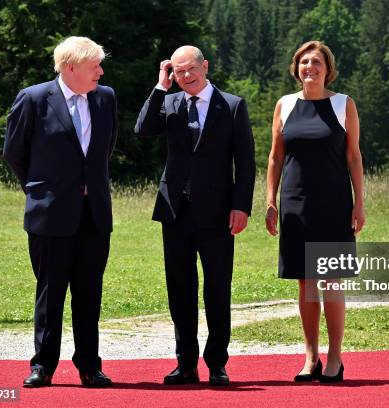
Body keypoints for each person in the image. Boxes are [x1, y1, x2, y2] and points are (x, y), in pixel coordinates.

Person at [134, 45, 255, 386]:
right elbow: (142, 129)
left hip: (218, 214)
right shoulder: (170, 102)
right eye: (178, 71)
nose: (186, 76)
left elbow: (245, 162)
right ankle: (185, 363)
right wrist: (161, 86)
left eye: (191, 69)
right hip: (175, 212)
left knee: (217, 289)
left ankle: (217, 363)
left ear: (205, 66)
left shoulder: (231, 105)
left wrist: (241, 206)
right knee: (180, 290)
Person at [3, 36, 117, 388]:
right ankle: (43, 366)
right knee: (50, 292)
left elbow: (105, 149)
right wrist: (40, 189)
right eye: (94, 65)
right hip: (50, 214)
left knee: (89, 293)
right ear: (71, 68)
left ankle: (89, 366)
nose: (100, 71)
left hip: (93, 214)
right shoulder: (34, 98)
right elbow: (14, 152)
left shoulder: (106, 98)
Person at [265, 41, 365, 383]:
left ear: (328, 68)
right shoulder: (285, 105)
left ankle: (335, 357)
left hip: (334, 203)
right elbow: (276, 157)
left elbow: (354, 156)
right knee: (306, 282)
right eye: (305, 62)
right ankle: (311, 357)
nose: (311, 67)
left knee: (331, 280)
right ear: (297, 68)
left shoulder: (343, 104)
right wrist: (270, 200)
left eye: (317, 62)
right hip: (295, 203)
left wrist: (360, 202)